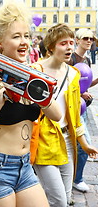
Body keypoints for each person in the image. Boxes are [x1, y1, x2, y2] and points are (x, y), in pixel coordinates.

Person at [0, 0, 62, 207]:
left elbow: (57, 115)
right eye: (16, 36)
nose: (24, 41)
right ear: (0, 41)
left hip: (24, 166)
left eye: (27, 35)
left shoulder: (34, 74)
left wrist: (38, 95)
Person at [32, 24, 98, 207]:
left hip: (68, 141)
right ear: (51, 46)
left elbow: (75, 113)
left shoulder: (73, 74)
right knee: (59, 201)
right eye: (63, 43)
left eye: (71, 42)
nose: (69, 47)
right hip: (44, 140)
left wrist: (84, 143)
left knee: (66, 196)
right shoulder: (35, 70)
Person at [66, 28, 98, 192]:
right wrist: (80, 93)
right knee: (84, 145)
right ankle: (76, 179)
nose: (89, 41)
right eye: (85, 38)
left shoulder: (87, 61)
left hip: (82, 108)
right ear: (77, 40)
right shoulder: (71, 58)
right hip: (70, 108)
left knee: (78, 145)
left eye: (91, 39)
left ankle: (74, 177)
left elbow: (86, 82)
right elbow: (66, 84)